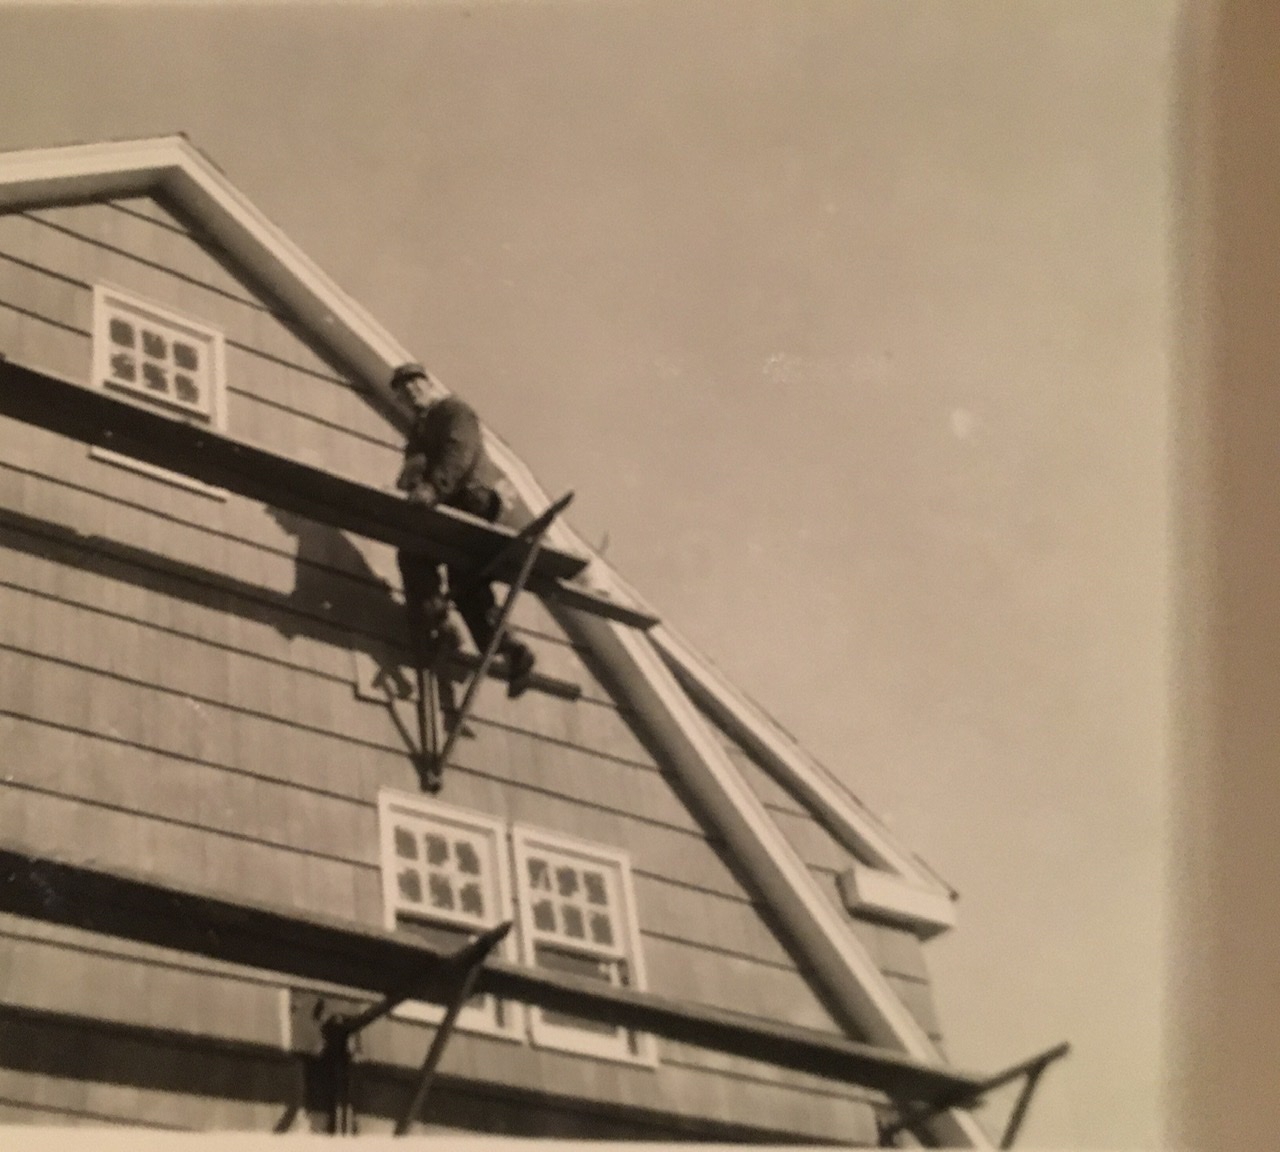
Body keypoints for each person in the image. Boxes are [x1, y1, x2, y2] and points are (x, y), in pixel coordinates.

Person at [390, 362, 536, 699]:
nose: (411, 396)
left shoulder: (453, 411)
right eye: (403, 394)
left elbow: (459, 453)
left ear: (428, 385)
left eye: (415, 387)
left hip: (471, 498)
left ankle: (439, 625)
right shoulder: (419, 433)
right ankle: (510, 648)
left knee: (414, 554)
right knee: (466, 581)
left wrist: (432, 489)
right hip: (451, 500)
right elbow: (413, 469)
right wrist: (408, 486)